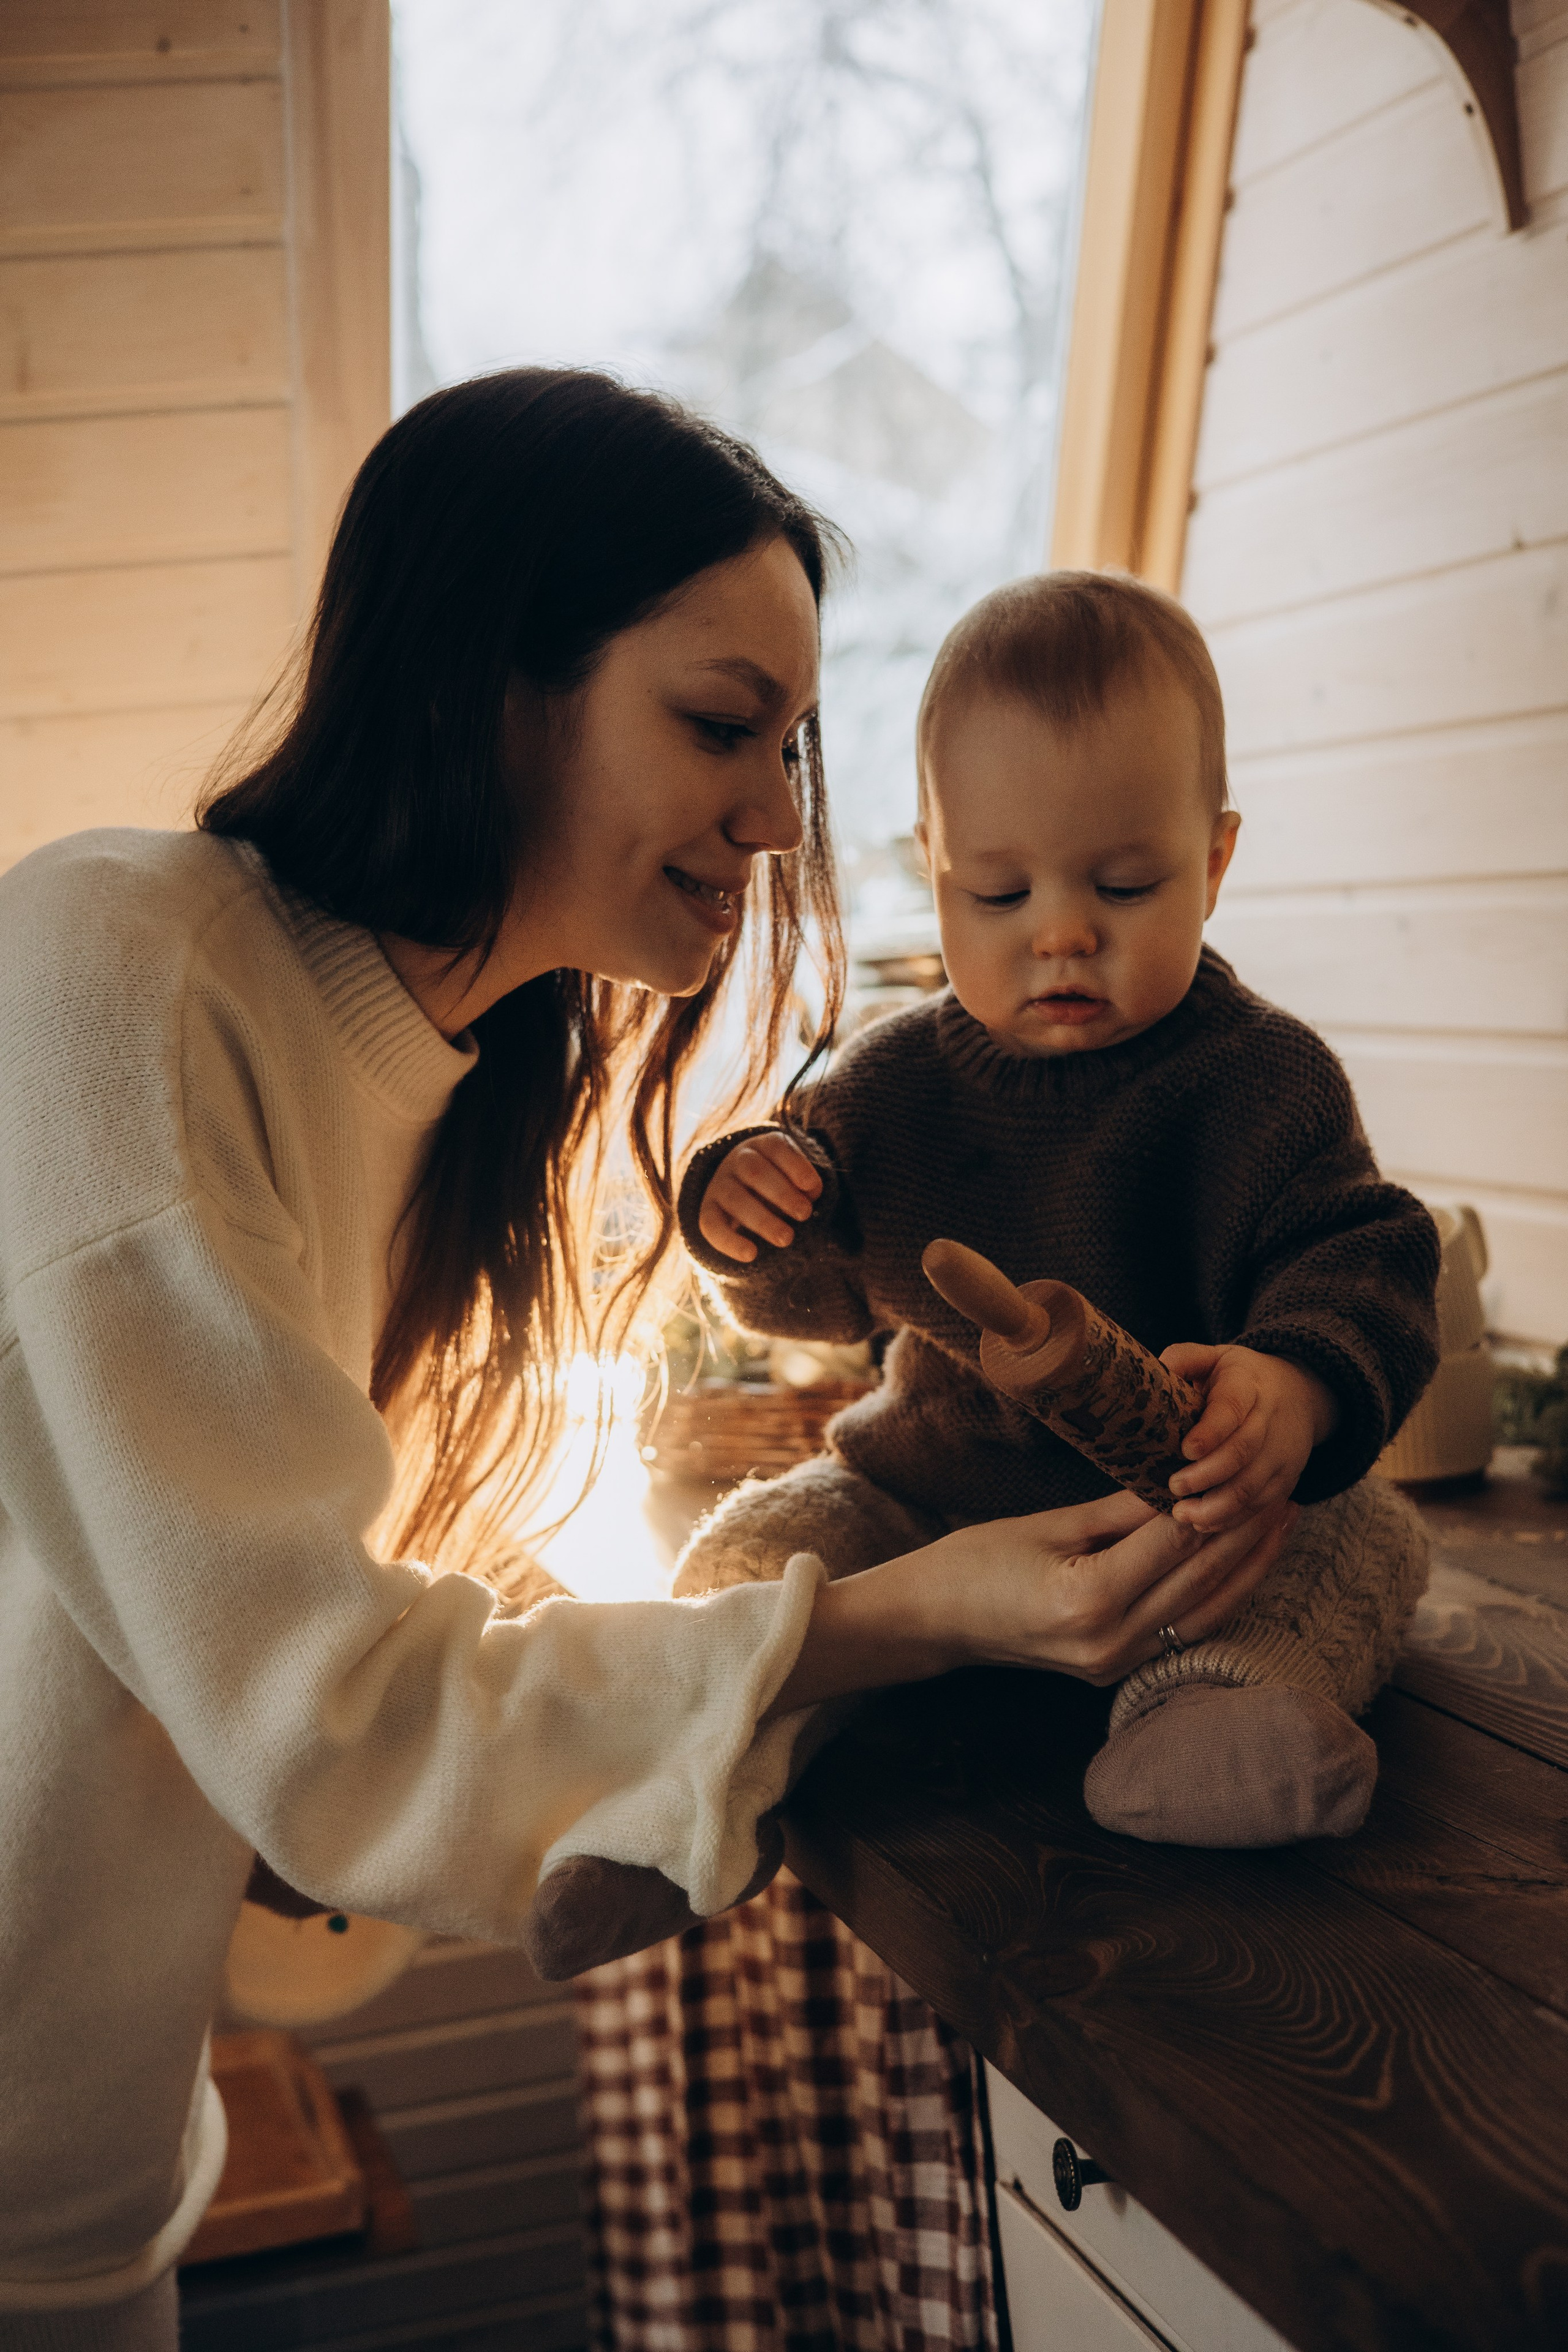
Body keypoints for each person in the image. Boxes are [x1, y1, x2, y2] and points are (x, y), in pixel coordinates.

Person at [0, 382, 1293, 2351]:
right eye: (719, 728)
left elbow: (287, 1670)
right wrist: (899, 1616)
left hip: (86, 2199)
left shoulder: (446, 1106)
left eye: (792, 750)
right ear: (484, 675)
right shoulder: (113, 973)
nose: (778, 820)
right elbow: (343, 1731)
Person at [673, 571, 1439, 1850]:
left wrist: (1292, 1390)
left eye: (1125, 887)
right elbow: (804, 1300)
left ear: (1213, 860)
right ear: (934, 872)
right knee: (752, 1564)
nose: (1061, 936)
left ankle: (1199, 1728)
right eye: (1000, 895)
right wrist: (742, 1211)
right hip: (923, 1516)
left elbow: (1362, 1260)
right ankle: (699, 1786)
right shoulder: (884, 1086)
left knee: (1359, 1548)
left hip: (1181, 1540)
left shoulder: (1261, 1082)